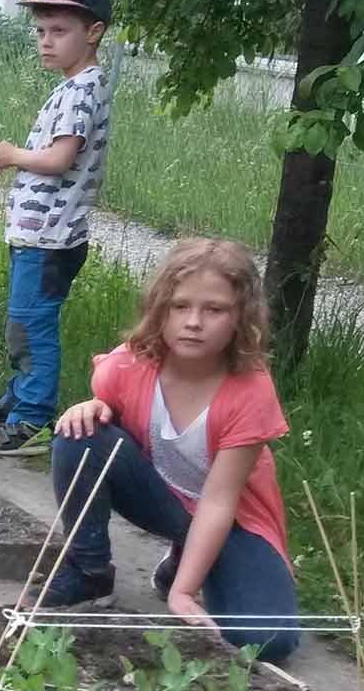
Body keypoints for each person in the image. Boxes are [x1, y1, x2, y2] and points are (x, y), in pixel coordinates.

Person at [31, 238, 298, 659]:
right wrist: (92, 406)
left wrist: (183, 593)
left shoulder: (251, 391)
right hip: (160, 498)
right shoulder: (129, 365)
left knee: (268, 638)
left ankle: (186, 566)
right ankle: (88, 571)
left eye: (214, 309)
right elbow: (105, 441)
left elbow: (218, 502)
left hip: (228, 520)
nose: (194, 321)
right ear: (160, 309)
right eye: (180, 306)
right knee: (78, 433)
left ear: (240, 318)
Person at [0, 0, 116, 455]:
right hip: (37, 235)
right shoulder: (76, 86)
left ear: (92, 33)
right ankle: (17, 399)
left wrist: (13, 153)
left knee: (31, 328)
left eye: (58, 31)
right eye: (40, 31)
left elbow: (59, 159)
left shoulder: (81, 91)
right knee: (22, 324)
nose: (45, 41)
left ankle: (30, 419)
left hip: (50, 238)